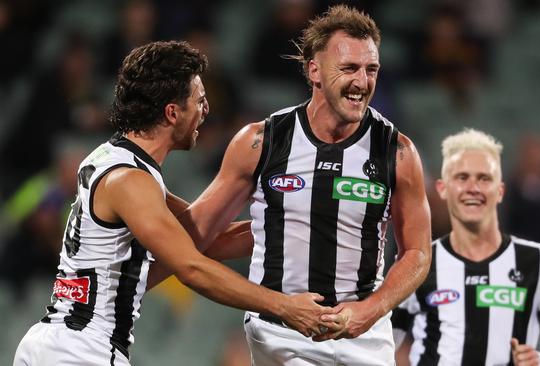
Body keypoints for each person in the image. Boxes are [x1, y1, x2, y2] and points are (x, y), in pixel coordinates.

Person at [13, 40, 335, 366]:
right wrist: (286, 306)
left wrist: (289, 226)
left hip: (56, 343)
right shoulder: (131, 181)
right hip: (82, 351)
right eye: (200, 101)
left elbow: (201, 237)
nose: (206, 110)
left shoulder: (114, 161)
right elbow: (191, 268)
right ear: (172, 112)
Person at [177, 5, 432, 365]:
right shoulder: (261, 142)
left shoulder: (398, 152)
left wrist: (371, 309)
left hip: (364, 336)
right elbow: (197, 235)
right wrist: (147, 203)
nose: (362, 81)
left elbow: (417, 254)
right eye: (348, 68)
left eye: (370, 69)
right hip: (281, 335)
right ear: (314, 69)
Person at [392, 129, 540, 365]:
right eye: (462, 178)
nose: (473, 187)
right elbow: (383, 341)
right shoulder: (416, 261)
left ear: (500, 190)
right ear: (442, 188)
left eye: (484, 178)